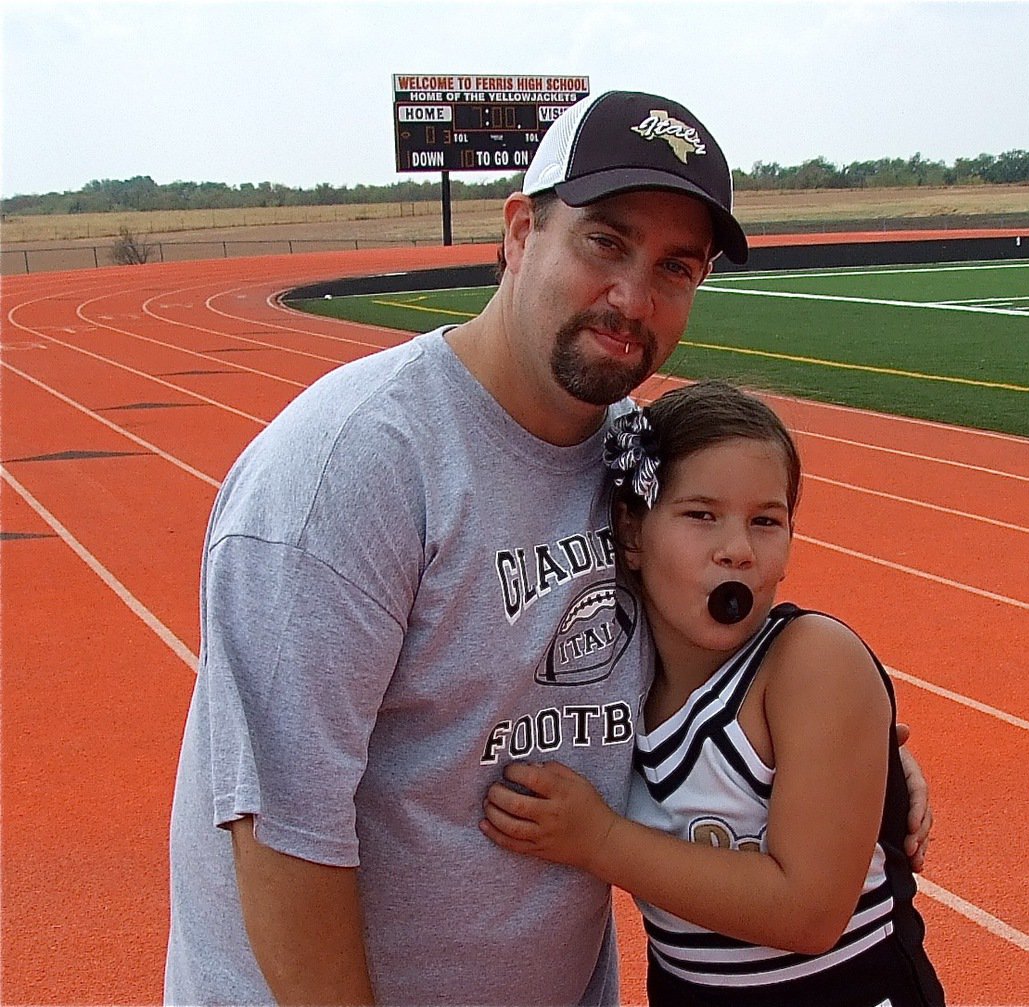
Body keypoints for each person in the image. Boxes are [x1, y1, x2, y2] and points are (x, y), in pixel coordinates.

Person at [164, 90, 931, 1006]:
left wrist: (845, 758)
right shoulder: (354, 466)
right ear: (521, 231)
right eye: (604, 242)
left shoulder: (636, 455)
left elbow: (712, 660)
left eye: (676, 267)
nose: (634, 297)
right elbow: (284, 824)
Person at [481, 381, 944, 1007]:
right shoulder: (616, 684)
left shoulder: (809, 661)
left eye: (766, 522)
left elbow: (808, 913)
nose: (737, 551)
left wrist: (600, 841)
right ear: (634, 535)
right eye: (701, 515)